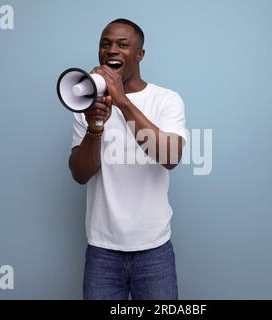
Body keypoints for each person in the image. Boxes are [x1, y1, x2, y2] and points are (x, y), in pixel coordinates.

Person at [68, 18, 187, 300]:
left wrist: (122, 102)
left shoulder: (166, 100)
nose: (112, 50)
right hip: (102, 251)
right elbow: (80, 174)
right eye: (105, 44)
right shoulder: (86, 104)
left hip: (154, 250)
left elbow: (170, 157)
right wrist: (94, 129)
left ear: (140, 54)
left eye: (123, 45)